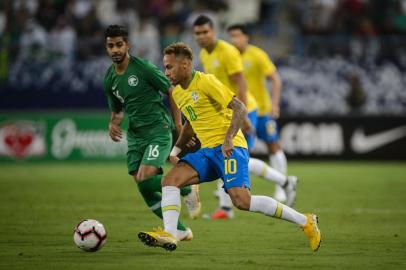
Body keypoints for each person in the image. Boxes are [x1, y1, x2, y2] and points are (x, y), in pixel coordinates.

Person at [138, 42, 321, 252]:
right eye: (165, 66)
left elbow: (240, 108)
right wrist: (176, 150)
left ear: (186, 65)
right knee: (169, 181)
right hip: (207, 152)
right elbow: (191, 124)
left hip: (230, 148)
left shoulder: (206, 82)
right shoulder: (178, 93)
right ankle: (171, 233)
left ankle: (305, 221)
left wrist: (228, 139)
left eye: (169, 67)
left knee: (242, 201)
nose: (166, 72)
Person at [102, 25, 200, 241]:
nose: (115, 49)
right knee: (143, 187)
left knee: (146, 177)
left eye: (119, 45)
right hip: (136, 136)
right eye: (111, 46)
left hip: (158, 129)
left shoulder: (143, 68)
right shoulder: (109, 79)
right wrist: (113, 124)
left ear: (127, 45)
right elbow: (117, 110)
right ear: (106, 48)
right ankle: (181, 231)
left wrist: (178, 124)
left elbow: (171, 91)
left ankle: (187, 189)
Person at [192, 15, 294, 220]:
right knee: (227, 155)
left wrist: (244, 113)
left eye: (205, 32)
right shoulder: (205, 54)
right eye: (198, 33)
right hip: (227, 111)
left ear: (213, 31)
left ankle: (283, 182)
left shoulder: (233, 53)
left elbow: (242, 83)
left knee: (237, 156)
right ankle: (228, 207)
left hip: (245, 109)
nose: (202, 36)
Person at [227, 23, 290, 203]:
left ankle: (281, 187)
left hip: (261, 110)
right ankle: (233, 188)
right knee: (240, 149)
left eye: (237, 35)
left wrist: (275, 104)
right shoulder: (228, 56)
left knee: (273, 146)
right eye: (231, 36)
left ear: (246, 37)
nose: (234, 40)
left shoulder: (257, 55)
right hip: (240, 110)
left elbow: (276, 80)